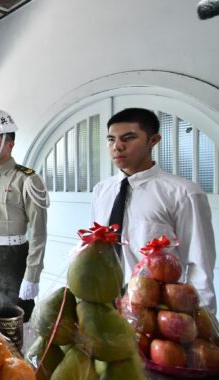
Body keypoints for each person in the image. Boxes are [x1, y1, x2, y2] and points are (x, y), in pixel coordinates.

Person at [92, 107, 217, 313]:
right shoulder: (101, 191)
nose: (117, 147)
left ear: (153, 140)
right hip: (105, 305)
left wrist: (202, 323)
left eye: (128, 138)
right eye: (111, 139)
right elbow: (97, 249)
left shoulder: (183, 193)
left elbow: (199, 266)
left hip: (157, 311)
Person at [0, 110, 49, 322]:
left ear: (9, 143)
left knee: (16, 322)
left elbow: (39, 232)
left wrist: (32, 275)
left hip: (13, 256)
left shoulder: (27, 179)